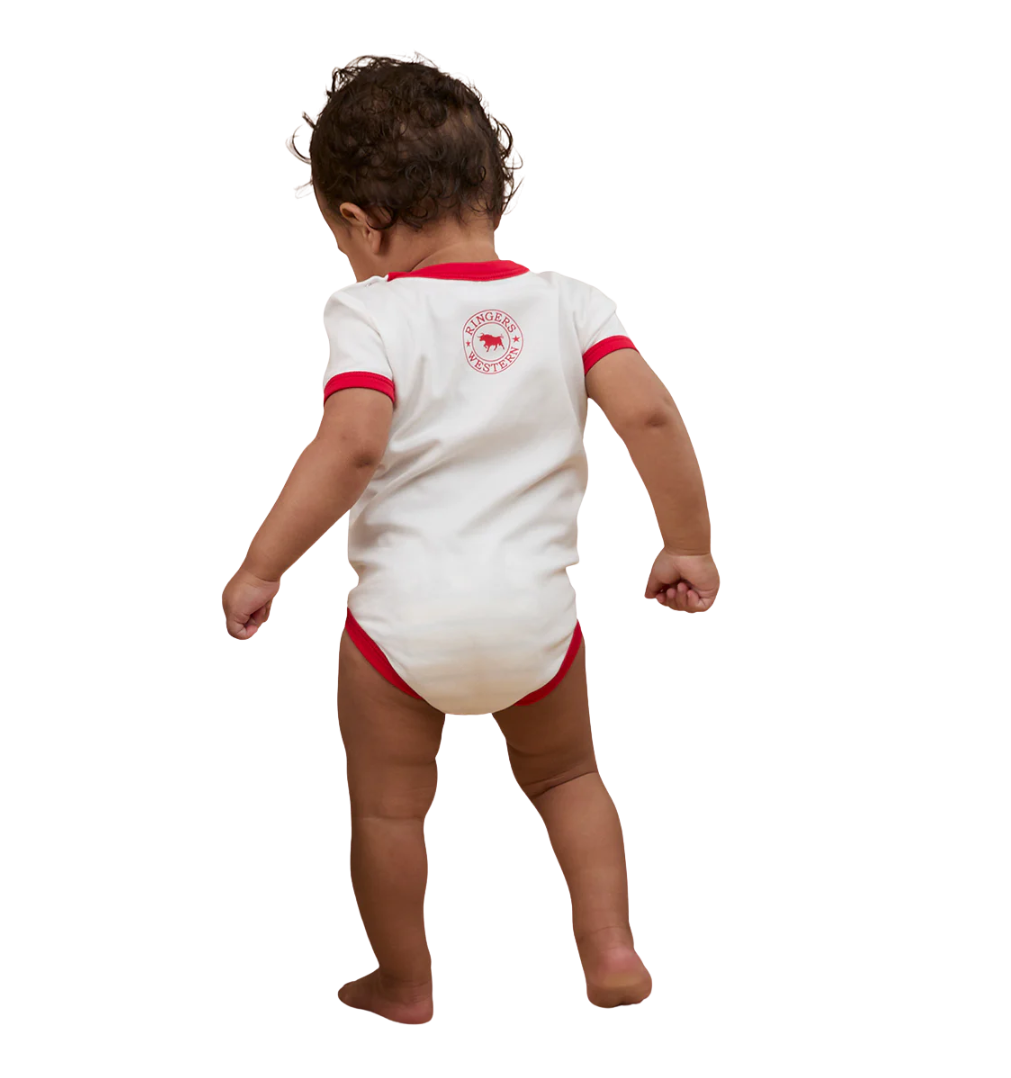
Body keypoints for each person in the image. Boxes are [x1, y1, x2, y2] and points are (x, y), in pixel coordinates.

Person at [221, 52, 719, 1025]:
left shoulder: (371, 309)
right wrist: (687, 546)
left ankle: (405, 985)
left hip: (400, 634)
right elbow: (651, 417)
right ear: (501, 192)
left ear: (361, 222)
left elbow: (351, 443)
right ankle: (611, 949)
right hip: (538, 627)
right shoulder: (573, 302)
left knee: (388, 808)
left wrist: (262, 564)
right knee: (570, 778)